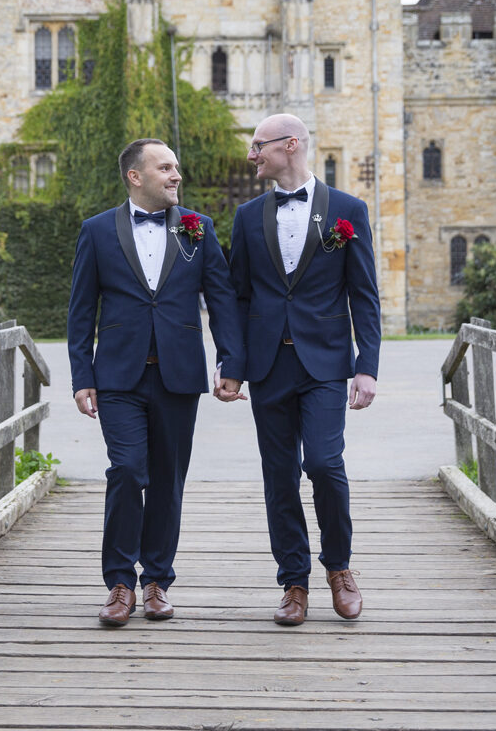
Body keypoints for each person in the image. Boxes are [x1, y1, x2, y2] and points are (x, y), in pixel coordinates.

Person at [67, 138, 244, 625]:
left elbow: (222, 301)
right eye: (165, 168)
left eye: (177, 168)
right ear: (135, 176)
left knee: (167, 480)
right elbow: (81, 312)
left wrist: (232, 363)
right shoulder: (97, 231)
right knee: (126, 470)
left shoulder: (198, 229)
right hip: (118, 376)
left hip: (178, 375)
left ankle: (157, 582)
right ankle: (119, 582)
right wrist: (82, 375)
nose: (175, 176)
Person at [219, 113, 380, 625]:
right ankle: (293, 581)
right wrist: (233, 365)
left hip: (326, 362)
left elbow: (365, 295)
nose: (252, 155)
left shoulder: (348, 211)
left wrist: (367, 366)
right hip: (268, 365)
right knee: (279, 475)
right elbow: (239, 298)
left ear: (290, 145)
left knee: (326, 465)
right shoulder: (246, 217)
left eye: (258, 146)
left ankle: (339, 567)